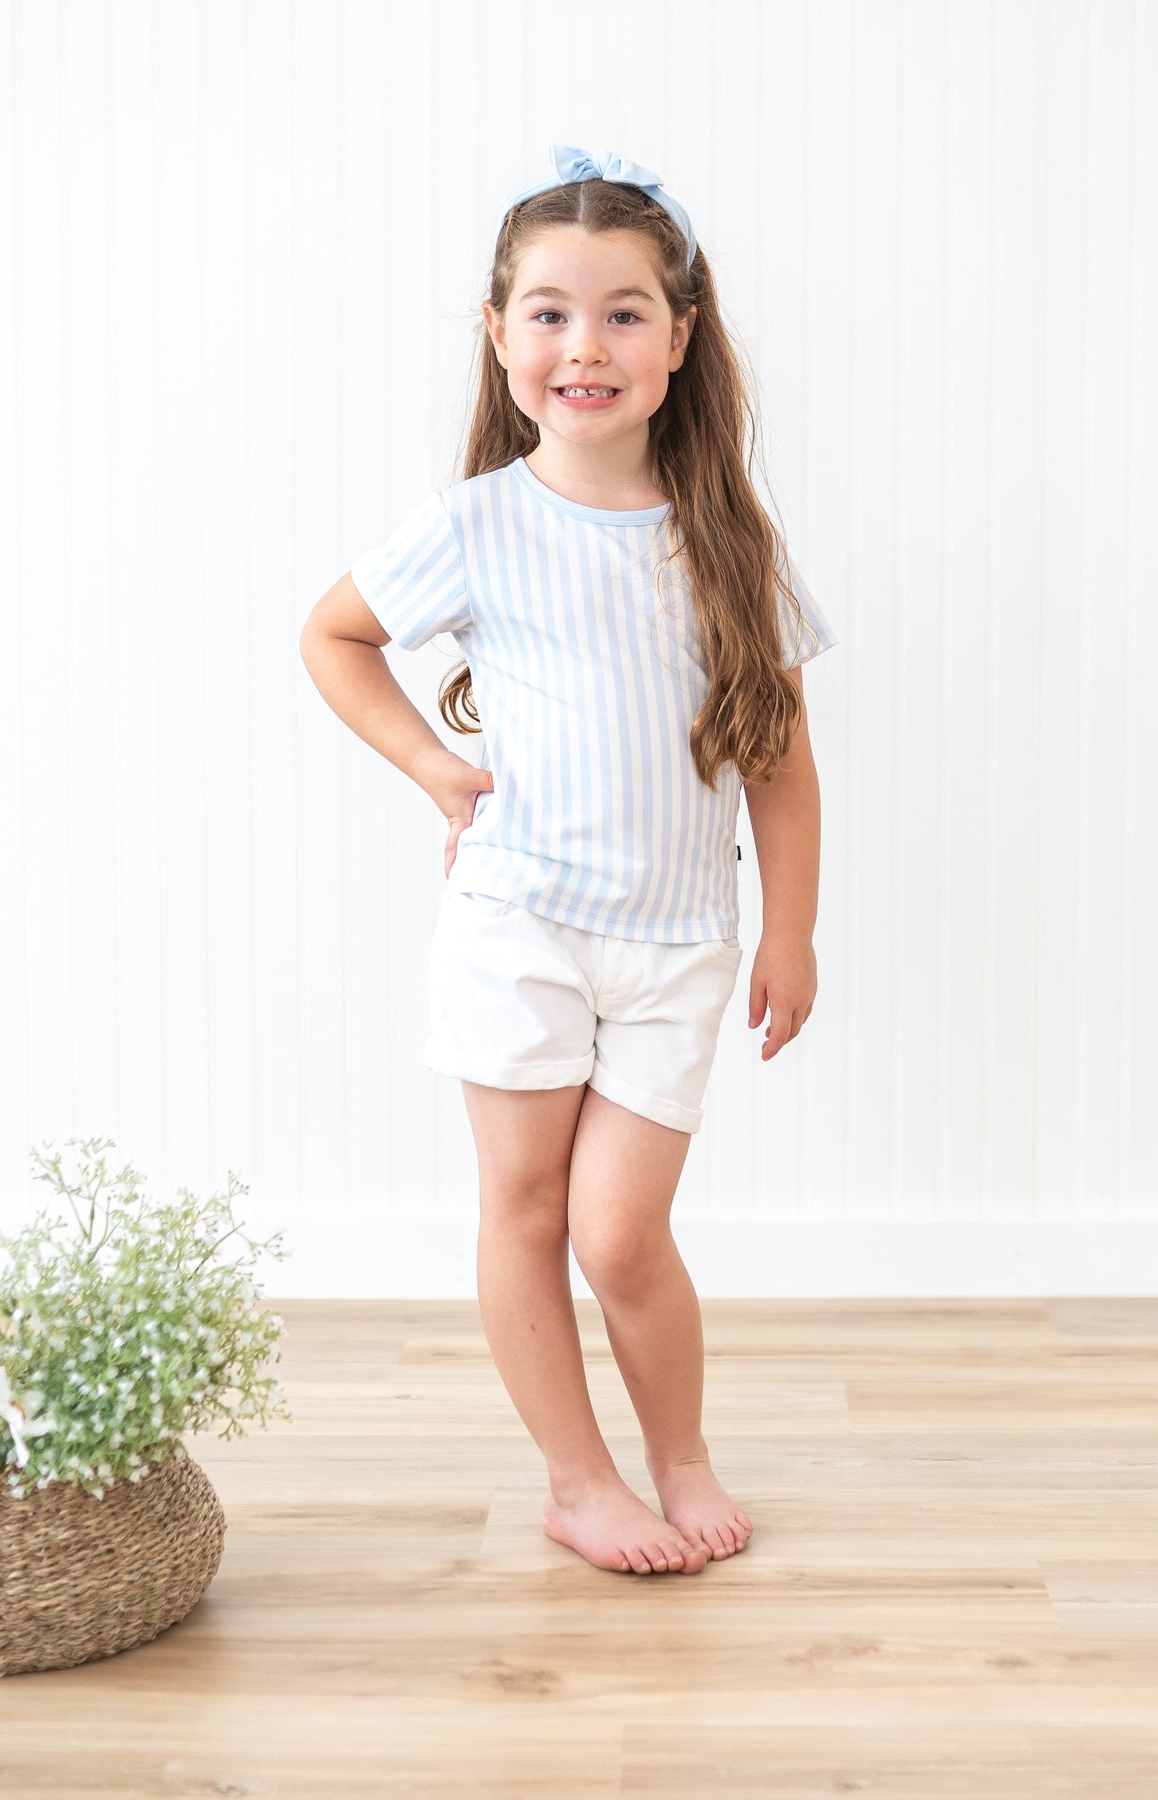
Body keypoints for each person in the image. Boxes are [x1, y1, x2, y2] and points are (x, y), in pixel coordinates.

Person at [299, 147, 838, 1577]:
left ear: (678, 337)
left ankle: (682, 1453)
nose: (582, 345)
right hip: (517, 924)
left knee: (621, 1231)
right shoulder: (474, 525)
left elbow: (780, 765)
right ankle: (577, 1475)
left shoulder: (730, 547)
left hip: (675, 945)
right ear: (499, 336)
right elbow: (332, 638)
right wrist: (433, 764)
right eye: (547, 312)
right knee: (527, 1210)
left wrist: (791, 935)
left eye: (620, 313)